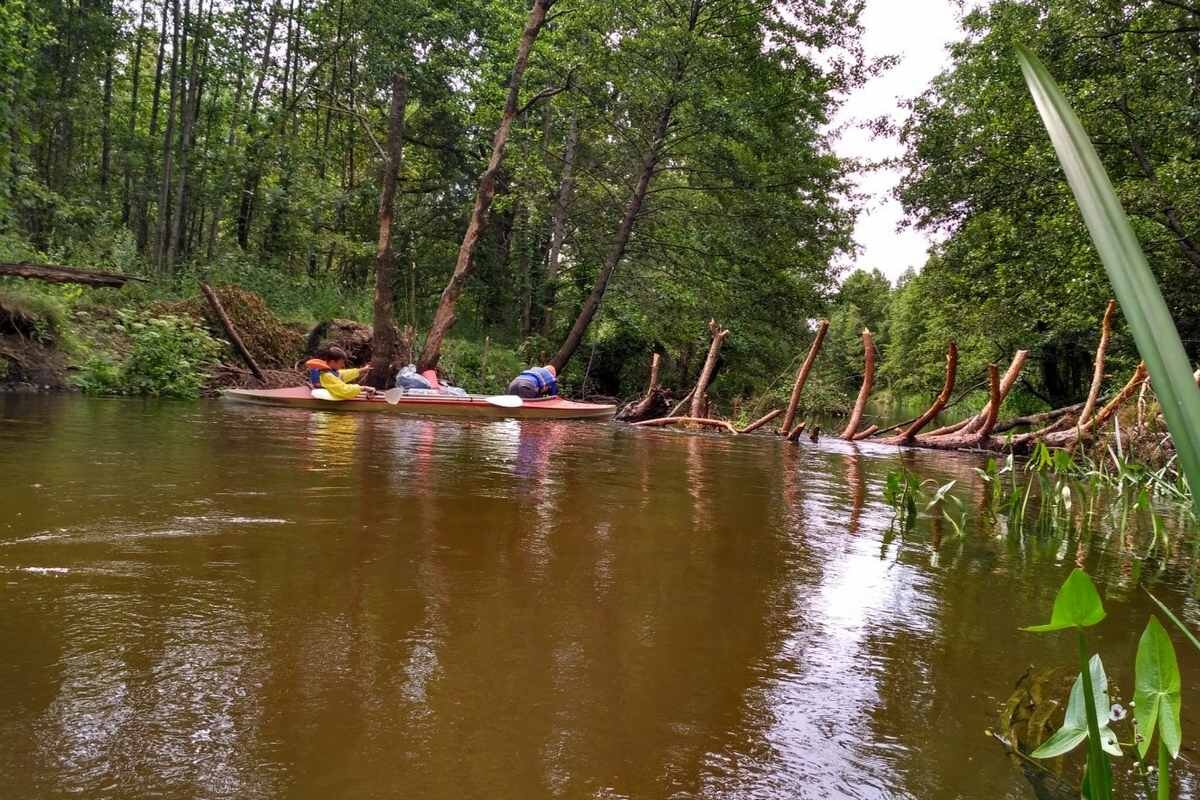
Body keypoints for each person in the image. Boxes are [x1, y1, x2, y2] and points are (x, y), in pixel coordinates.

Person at [304, 346, 378, 400]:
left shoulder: (330, 372)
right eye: (341, 363)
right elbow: (344, 390)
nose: (343, 365)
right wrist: (363, 388)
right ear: (332, 362)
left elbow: (342, 374)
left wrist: (362, 370)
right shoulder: (327, 376)